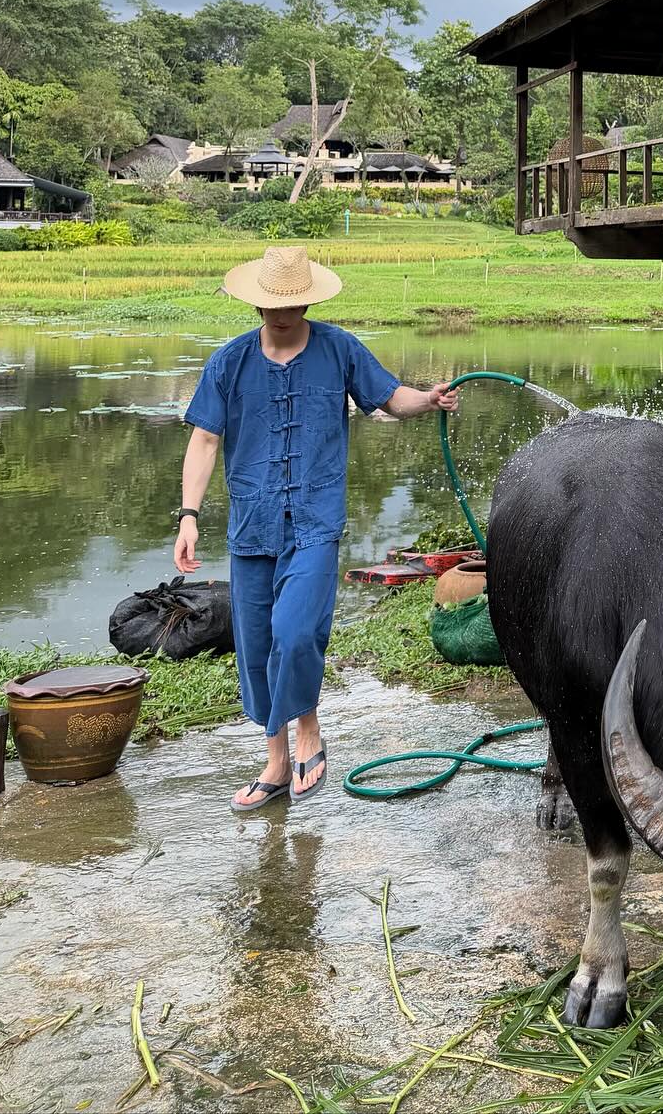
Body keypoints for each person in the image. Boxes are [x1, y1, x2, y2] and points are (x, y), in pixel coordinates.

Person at [175, 244, 459, 813]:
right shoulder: (228, 362)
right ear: (256, 303)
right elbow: (204, 439)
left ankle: (309, 727)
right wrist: (188, 516)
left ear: (307, 301)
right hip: (252, 523)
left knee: (297, 631)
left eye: (293, 304)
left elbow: (390, 397)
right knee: (257, 644)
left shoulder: (339, 349)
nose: (282, 314)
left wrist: (427, 400)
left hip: (314, 519)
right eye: (272, 304)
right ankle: (276, 759)